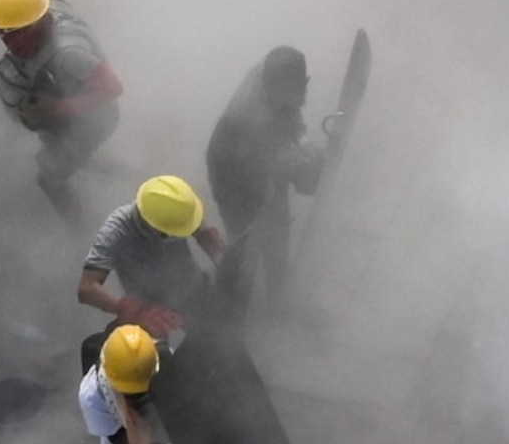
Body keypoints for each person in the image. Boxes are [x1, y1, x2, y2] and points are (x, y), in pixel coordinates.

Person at [0, 0, 122, 220]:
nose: (4, 40)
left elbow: (113, 87)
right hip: (71, 112)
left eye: (9, 33)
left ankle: (76, 224)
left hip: (90, 123)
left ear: (33, 25)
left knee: (47, 179)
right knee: (60, 148)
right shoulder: (48, 4)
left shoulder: (68, 54)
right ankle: (85, 158)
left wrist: (56, 108)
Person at [206, 46, 331, 316]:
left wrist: (303, 139)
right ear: (271, 86)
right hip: (232, 179)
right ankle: (226, 314)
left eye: (301, 86)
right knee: (247, 241)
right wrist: (313, 167)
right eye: (290, 90)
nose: (300, 94)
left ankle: (277, 298)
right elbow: (296, 176)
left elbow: (291, 109)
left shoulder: (272, 74)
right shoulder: (253, 119)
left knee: (278, 227)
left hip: (260, 167)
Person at [77, 177, 225, 335]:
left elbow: (208, 240)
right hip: (146, 304)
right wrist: (131, 310)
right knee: (145, 355)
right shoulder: (116, 230)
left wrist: (227, 264)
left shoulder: (179, 206)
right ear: (153, 227)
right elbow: (87, 288)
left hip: (190, 286)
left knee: (222, 333)